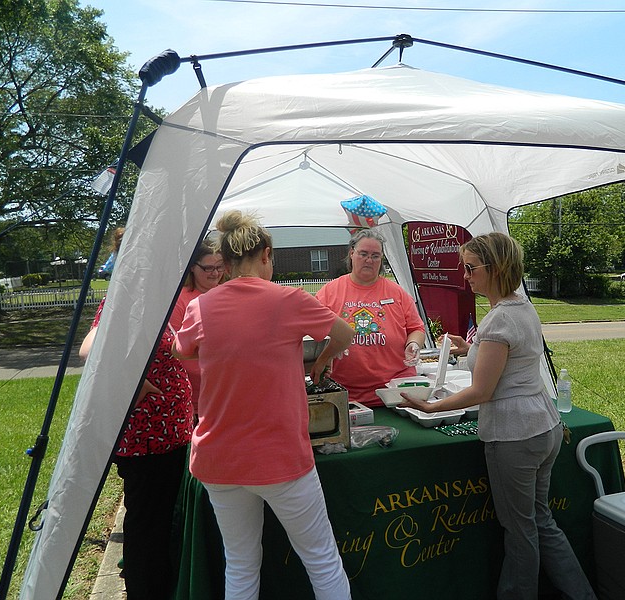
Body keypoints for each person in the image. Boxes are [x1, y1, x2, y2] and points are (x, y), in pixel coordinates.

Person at [400, 232, 597, 600]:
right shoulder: (521, 306)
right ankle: (582, 593)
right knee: (541, 520)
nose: (466, 276)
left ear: (496, 268)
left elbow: (481, 392)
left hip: (514, 435)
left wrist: (428, 406)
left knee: (520, 531)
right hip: (544, 425)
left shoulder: (497, 321)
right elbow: (509, 359)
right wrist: (470, 346)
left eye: (471, 268)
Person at [174, 210, 354, 600]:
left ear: (224, 262)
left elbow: (180, 348)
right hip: (280, 457)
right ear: (266, 254)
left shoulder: (200, 307)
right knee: (322, 560)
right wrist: (320, 361)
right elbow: (344, 333)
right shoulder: (288, 298)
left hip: (219, 459)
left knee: (239, 563)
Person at [80, 226, 193, 600]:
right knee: (147, 523)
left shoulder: (151, 296)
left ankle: (158, 586)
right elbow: (89, 350)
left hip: (168, 436)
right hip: (148, 441)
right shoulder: (124, 298)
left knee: (159, 521)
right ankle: (146, 592)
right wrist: (132, 381)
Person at [316, 228, 425, 407]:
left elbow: (416, 328)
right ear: (352, 253)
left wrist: (413, 344)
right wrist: (328, 348)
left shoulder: (397, 292)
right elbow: (313, 332)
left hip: (394, 391)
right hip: (345, 393)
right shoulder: (329, 292)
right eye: (363, 254)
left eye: (375, 255)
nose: (369, 260)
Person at [170, 241, 225, 417]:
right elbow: (174, 347)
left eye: (220, 267)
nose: (215, 273)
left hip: (226, 389)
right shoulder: (180, 300)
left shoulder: (227, 294)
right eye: (208, 268)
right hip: (194, 393)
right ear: (193, 267)